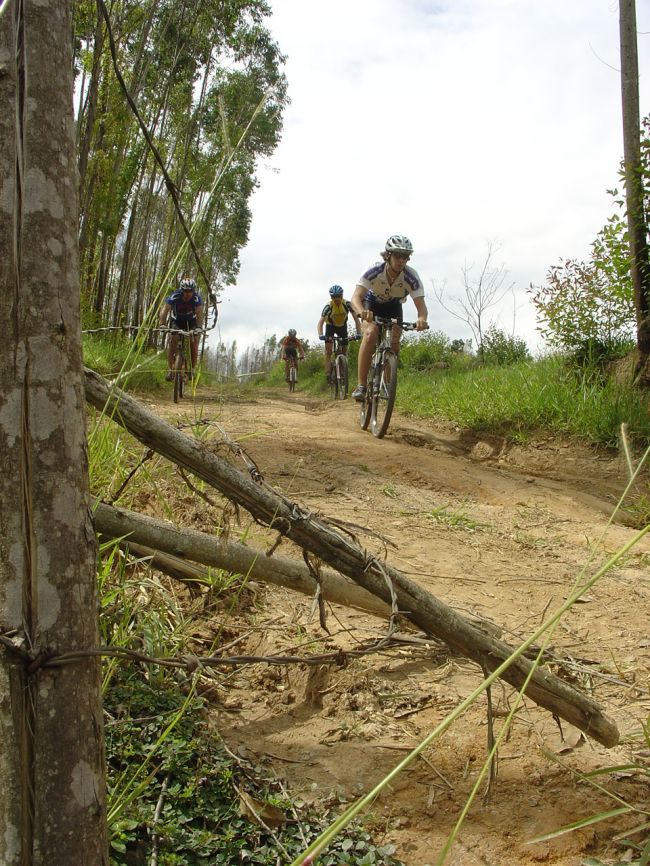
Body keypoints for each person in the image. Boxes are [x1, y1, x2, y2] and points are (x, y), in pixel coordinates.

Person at [350, 235, 428, 401]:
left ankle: (387, 384)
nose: (401, 261)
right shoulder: (374, 270)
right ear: (388, 255)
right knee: (370, 333)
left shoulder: (411, 276)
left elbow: (421, 307)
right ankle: (362, 386)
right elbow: (356, 297)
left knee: (394, 341)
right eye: (398, 256)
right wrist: (361, 312)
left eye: (405, 257)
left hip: (394, 305)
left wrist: (421, 319)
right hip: (372, 304)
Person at [159, 275, 204, 381]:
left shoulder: (196, 298)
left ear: (193, 290)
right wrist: (162, 324)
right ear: (181, 290)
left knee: (194, 342)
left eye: (190, 291)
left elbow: (200, 313)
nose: (188, 294)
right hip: (177, 321)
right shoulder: (175, 296)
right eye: (185, 291)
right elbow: (165, 310)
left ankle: (191, 369)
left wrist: (199, 327)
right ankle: (170, 370)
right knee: (172, 341)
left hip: (191, 322)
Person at [317, 285, 362, 382]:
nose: (337, 299)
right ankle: (328, 373)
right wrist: (321, 335)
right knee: (328, 351)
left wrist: (358, 333)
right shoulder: (328, 306)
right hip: (330, 326)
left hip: (342, 327)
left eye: (339, 296)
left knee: (344, 351)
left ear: (342, 296)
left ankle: (342, 371)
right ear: (331, 297)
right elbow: (320, 323)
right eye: (334, 297)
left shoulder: (347, 304)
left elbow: (356, 320)